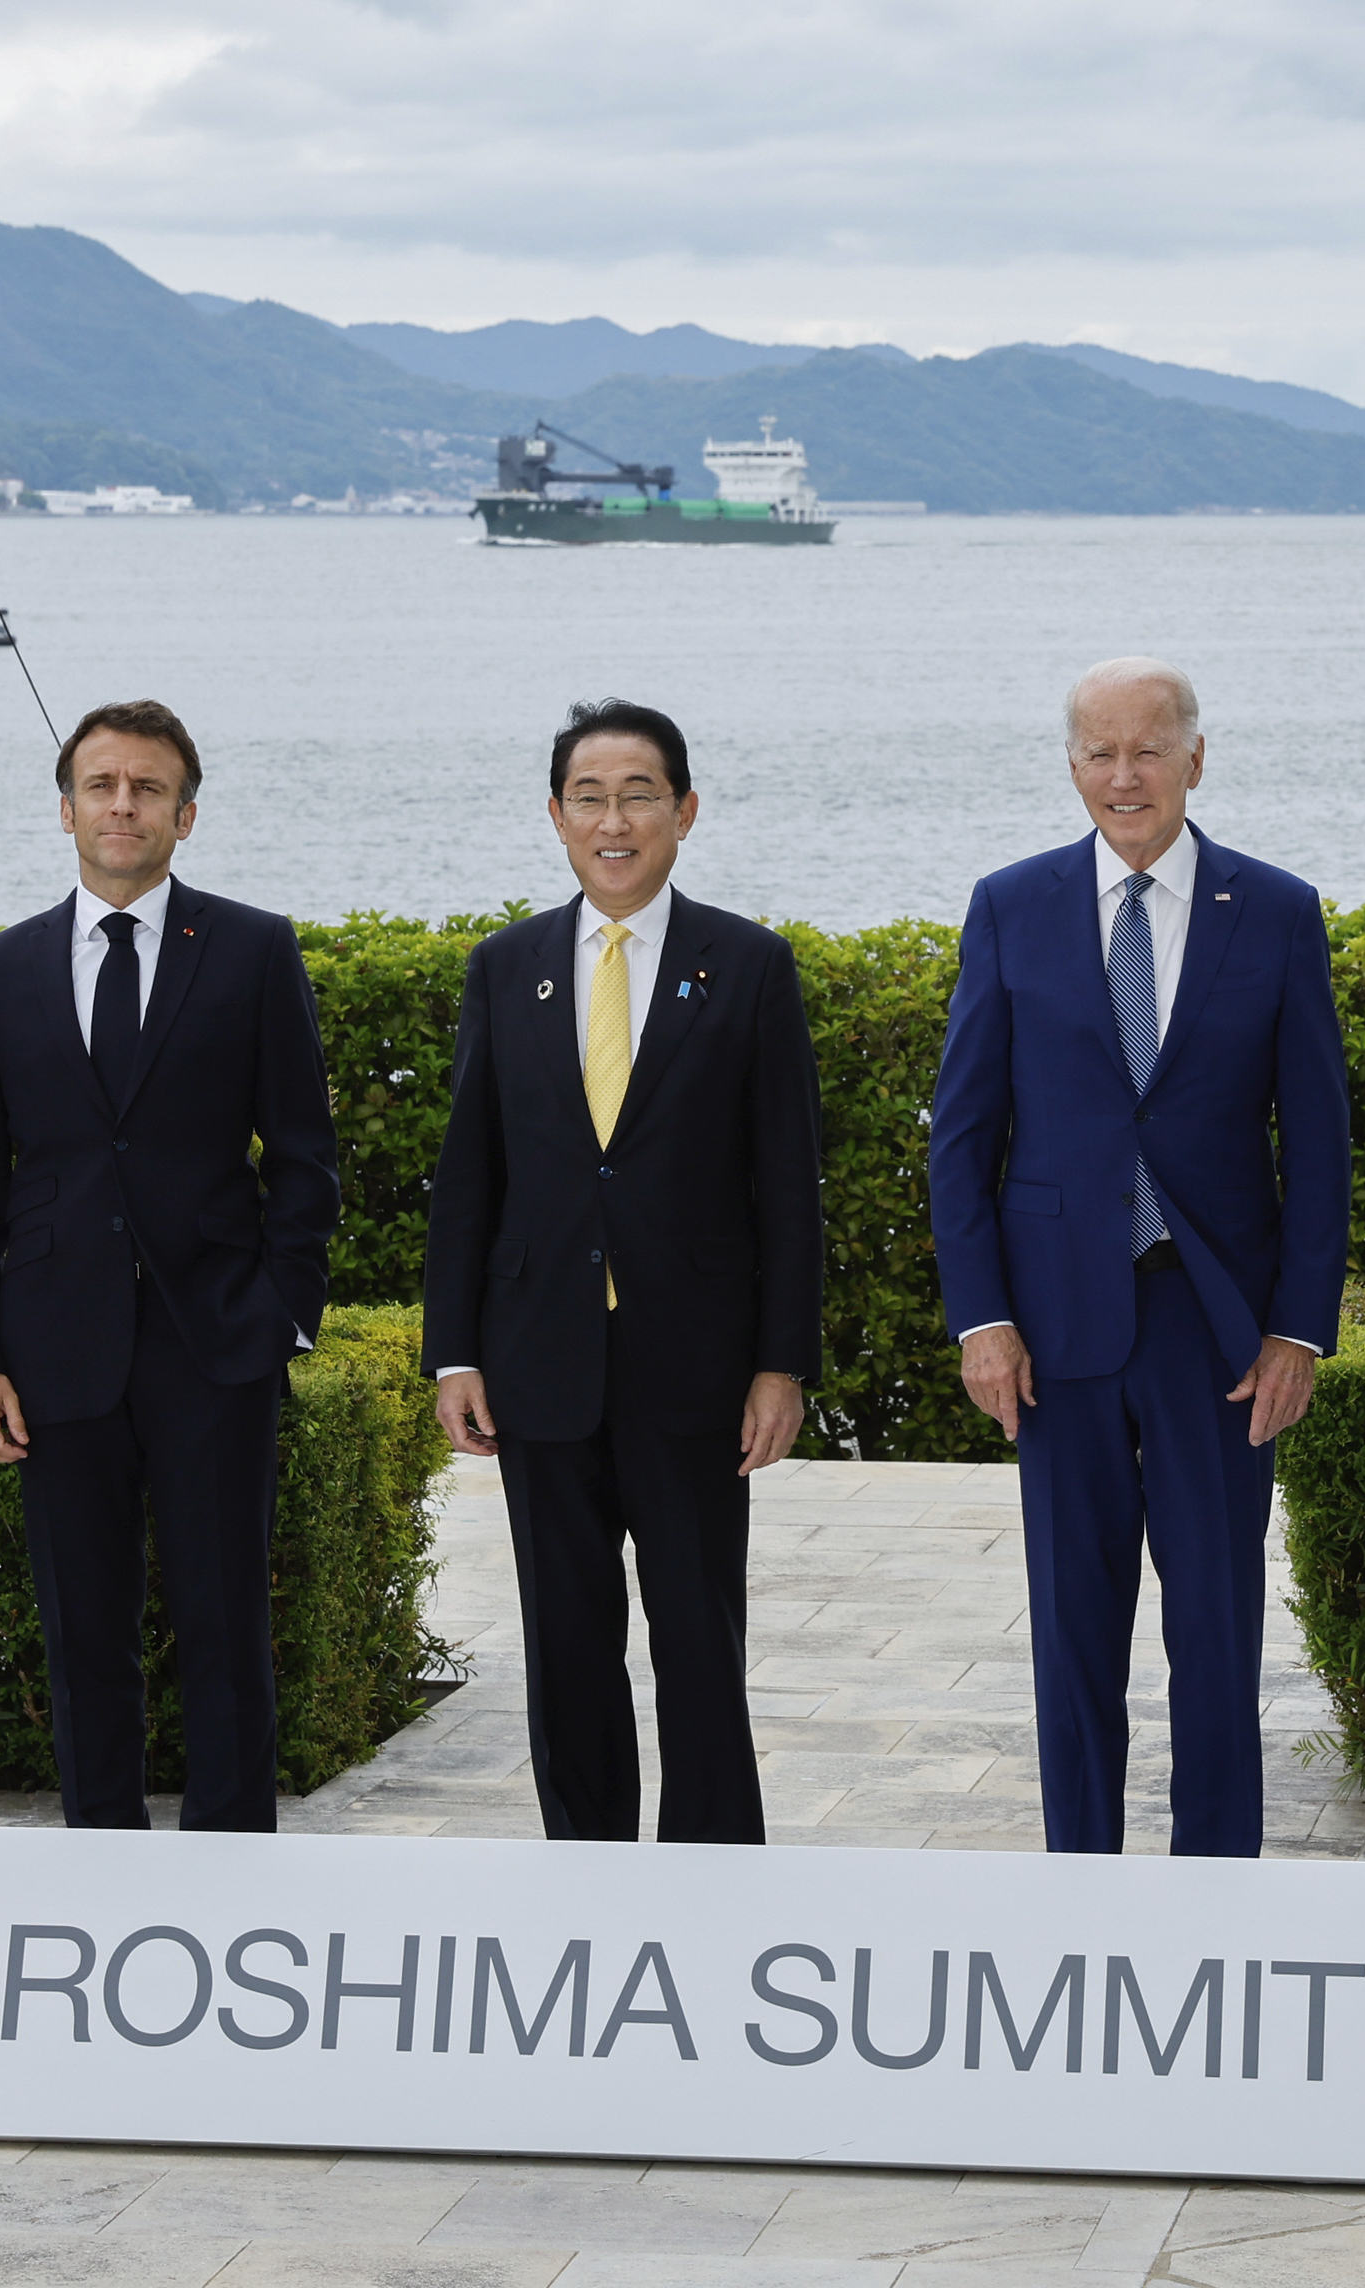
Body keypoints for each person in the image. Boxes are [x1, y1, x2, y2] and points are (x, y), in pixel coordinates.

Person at [929, 658, 1349, 1856]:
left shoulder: (1273, 910)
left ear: (1195, 757)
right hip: (1052, 1333)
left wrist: (1298, 1327)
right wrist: (981, 1319)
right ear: (1071, 767)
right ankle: (1082, 1881)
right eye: (1099, 753)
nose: (1125, 775)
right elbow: (962, 1136)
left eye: (1148, 749)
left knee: (1215, 1632)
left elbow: (1317, 1144)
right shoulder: (1010, 904)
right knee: (1070, 1633)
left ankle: (1213, 1885)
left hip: (1216, 1329)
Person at [0, 700, 339, 1832]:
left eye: (146, 787)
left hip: (216, 1344)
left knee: (225, 1629)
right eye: (101, 784)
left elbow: (306, 1155)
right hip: (54, 1352)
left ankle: (230, 1874)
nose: (122, 803)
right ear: (64, 808)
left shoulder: (252, 948)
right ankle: (100, 1872)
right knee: (83, 1633)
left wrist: (280, 1314)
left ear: (184, 814)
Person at [422, 699, 824, 1846]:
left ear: (683, 811)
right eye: (588, 796)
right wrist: (453, 1347)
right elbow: (469, 1175)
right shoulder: (505, 969)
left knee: (699, 1636)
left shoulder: (745, 965)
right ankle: (584, 1870)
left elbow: (786, 1186)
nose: (614, 818)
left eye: (637, 793)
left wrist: (778, 1362)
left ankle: (712, 1874)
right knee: (564, 1640)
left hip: (693, 1366)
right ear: (555, 817)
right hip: (539, 1361)